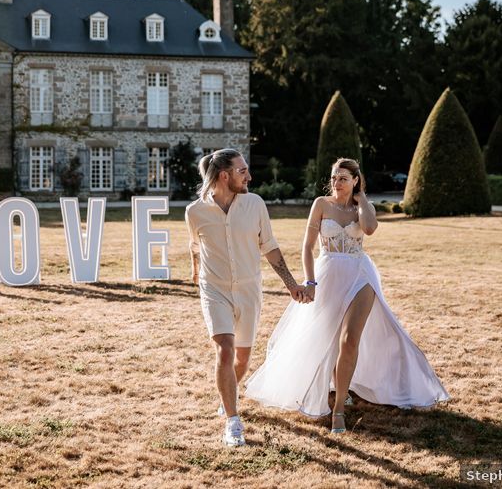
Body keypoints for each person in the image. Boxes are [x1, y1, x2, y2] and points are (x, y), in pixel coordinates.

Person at [243, 158, 449, 433]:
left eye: (343, 178)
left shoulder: (364, 208)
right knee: (328, 339)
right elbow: (307, 247)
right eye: (333, 178)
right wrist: (310, 281)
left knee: (350, 339)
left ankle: (339, 408)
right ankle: (340, 385)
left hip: (360, 274)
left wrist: (361, 198)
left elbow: (370, 229)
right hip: (327, 273)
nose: (336, 183)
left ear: (355, 180)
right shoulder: (321, 204)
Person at [185, 148, 308, 447]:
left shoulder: (255, 204)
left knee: (242, 358)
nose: (249, 176)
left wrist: (291, 283)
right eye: (243, 171)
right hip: (214, 290)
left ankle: (227, 393)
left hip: (249, 290)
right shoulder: (195, 211)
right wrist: (195, 272)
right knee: (225, 351)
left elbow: (270, 247)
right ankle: (232, 421)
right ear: (224, 175)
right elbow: (194, 245)